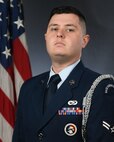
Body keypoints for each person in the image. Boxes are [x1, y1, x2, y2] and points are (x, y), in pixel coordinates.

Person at [12, 6, 114, 142]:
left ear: (84, 40)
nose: (59, 34)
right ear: (46, 37)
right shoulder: (28, 88)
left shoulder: (100, 88)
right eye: (54, 28)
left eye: (70, 29)